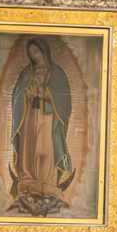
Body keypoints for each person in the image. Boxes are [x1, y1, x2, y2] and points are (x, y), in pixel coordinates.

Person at [9, 38, 74, 216]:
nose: (34, 56)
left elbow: (64, 99)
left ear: (44, 51)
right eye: (31, 53)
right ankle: (28, 180)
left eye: (36, 52)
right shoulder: (26, 73)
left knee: (45, 149)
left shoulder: (57, 73)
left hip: (48, 117)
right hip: (29, 116)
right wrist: (27, 94)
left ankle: (48, 182)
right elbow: (17, 95)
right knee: (29, 149)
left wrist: (47, 94)